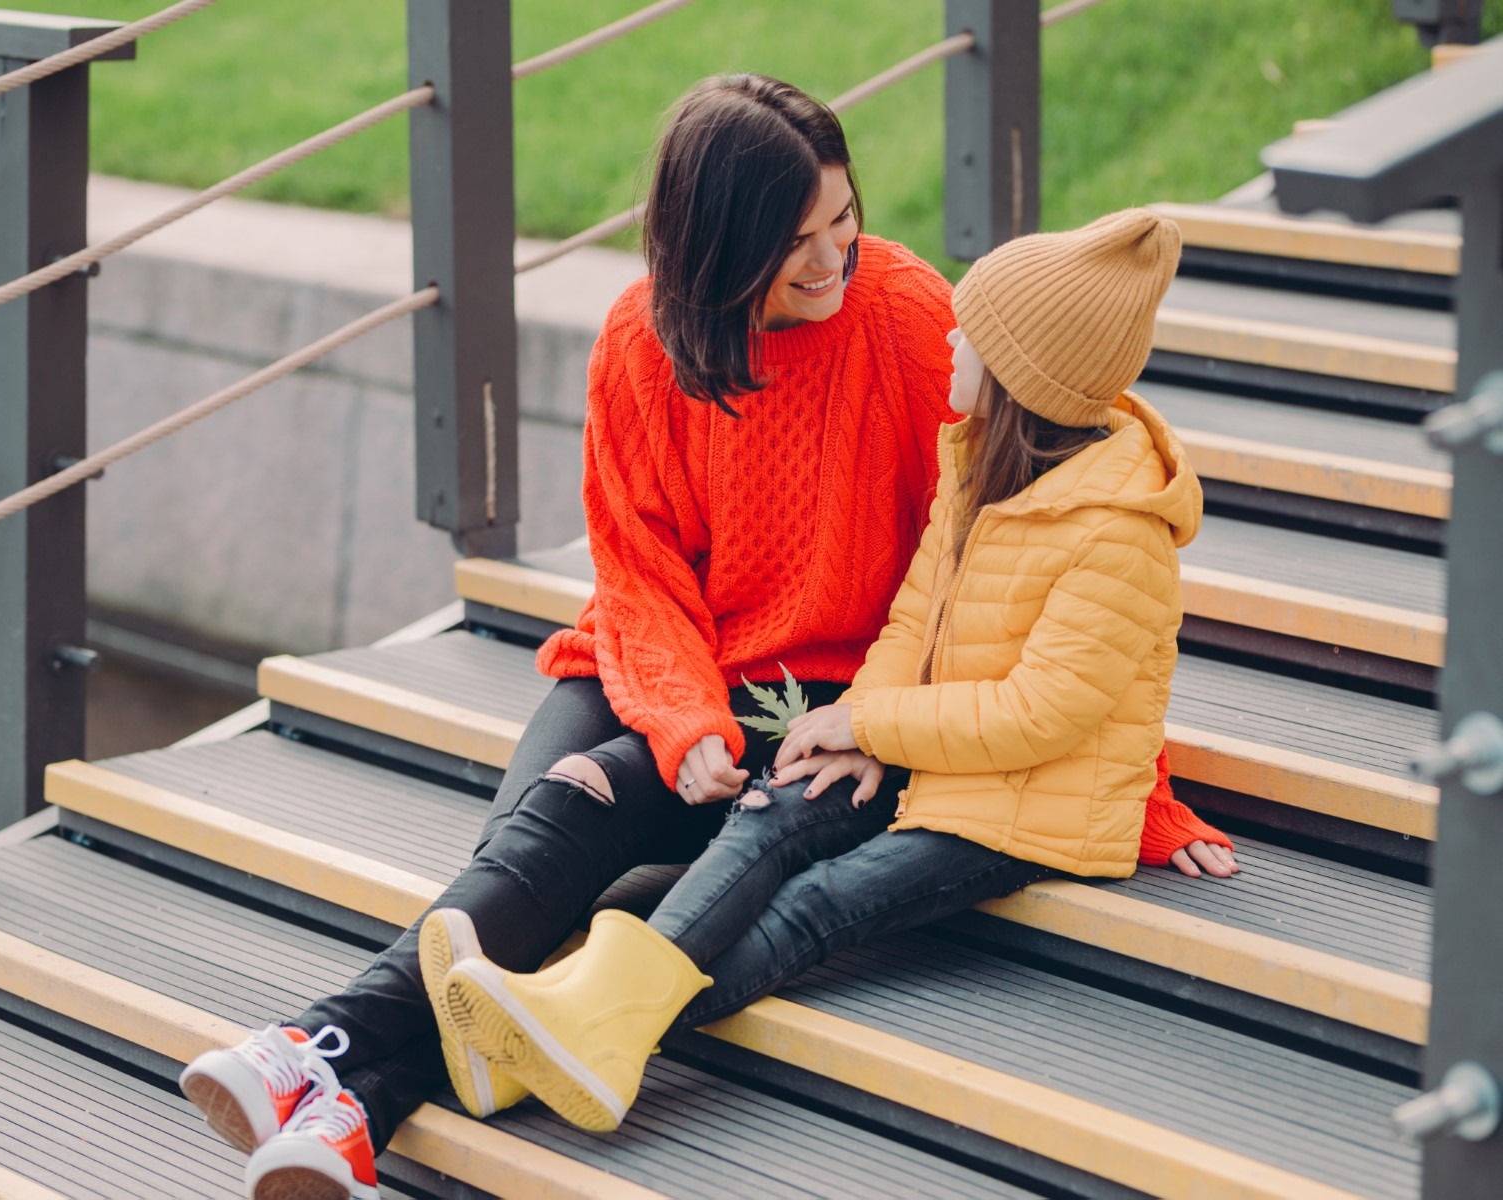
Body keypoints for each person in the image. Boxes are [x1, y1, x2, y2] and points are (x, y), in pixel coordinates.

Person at [177, 77, 1234, 1200]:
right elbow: (631, 564)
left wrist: (1138, 786)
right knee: (551, 832)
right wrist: (680, 718)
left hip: (828, 691)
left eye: (846, 221)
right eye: (798, 242)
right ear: (720, 247)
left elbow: (1027, 552)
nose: (836, 260)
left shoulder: (916, 319)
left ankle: (330, 1065)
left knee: (579, 894)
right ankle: (342, 1090)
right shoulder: (642, 341)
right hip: (667, 652)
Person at [434, 207, 1216, 1135]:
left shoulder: (1120, 532)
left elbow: (1042, 713)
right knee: (767, 812)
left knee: (815, 906)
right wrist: (859, 731)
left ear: (1023, 379)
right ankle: (556, 1036)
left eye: (978, 333)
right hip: (941, 761)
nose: (952, 336)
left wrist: (870, 726)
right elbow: (913, 619)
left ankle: (577, 1038)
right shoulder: (976, 470)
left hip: (1021, 815)